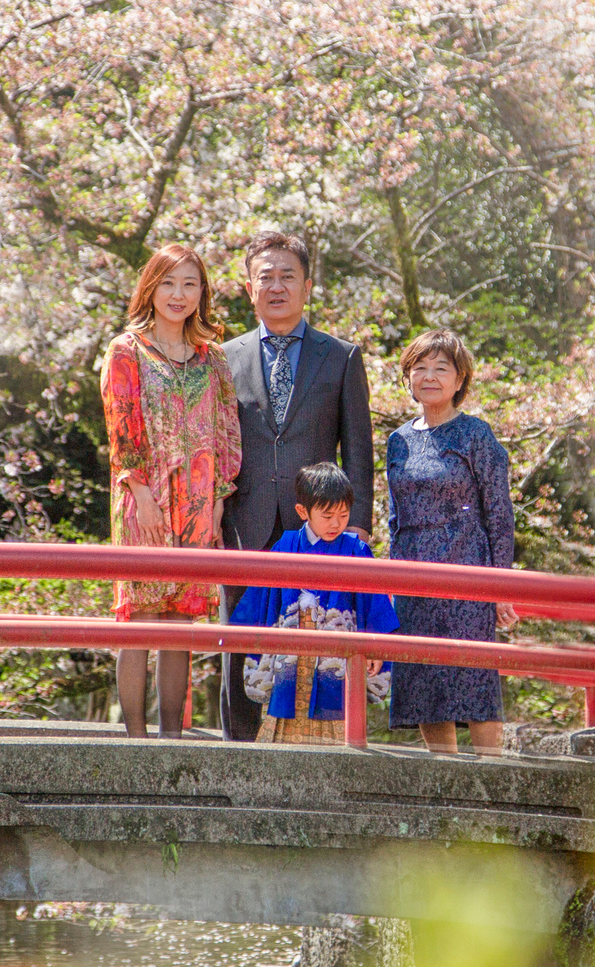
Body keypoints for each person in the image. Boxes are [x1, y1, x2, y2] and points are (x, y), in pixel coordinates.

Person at [220, 230, 377, 740]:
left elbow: (357, 448)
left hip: (320, 526)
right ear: (249, 289)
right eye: (266, 276)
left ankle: (321, 752)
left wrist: (355, 524)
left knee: (325, 638)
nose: (277, 286)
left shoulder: (341, 357)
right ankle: (239, 751)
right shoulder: (223, 359)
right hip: (246, 522)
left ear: (307, 287)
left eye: (288, 276)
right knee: (243, 637)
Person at [100, 243, 240, 736]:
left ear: (202, 292)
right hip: (144, 496)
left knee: (181, 620)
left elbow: (226, 430)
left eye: (189, 284)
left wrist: (219, 500)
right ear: (150, 288)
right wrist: (139, 493)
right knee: (141, 616)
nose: (178, 294)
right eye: (168, 283)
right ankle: (136, 739)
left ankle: (172, 739)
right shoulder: (126, 350)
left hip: (200, 503)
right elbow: (122, 426)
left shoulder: (213, 358)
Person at [385, 327, 514, 753]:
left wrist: (501, 585)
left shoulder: (476, 435)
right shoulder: (399, 440)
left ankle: (490, 778)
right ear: (407, 378)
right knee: (424, 681)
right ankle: (444, 775)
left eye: (442, 368)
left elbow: (499, 514)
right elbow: (393, 517)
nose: (430, 376)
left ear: (460, 380)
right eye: (420, 367)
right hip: (412, 571)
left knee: (474, 677)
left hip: (467, 567)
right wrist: (386, 585)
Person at [229, 463, 400, 741]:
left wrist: (377, 646)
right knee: (285, 724)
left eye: (344, 515)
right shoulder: (285, 546)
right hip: (289, 660)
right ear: (302, 511)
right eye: (327, 515)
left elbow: (376, 606)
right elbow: (260, 603)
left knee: (340, 727)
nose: (336, 523)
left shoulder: (356, 550)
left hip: (338, 662)